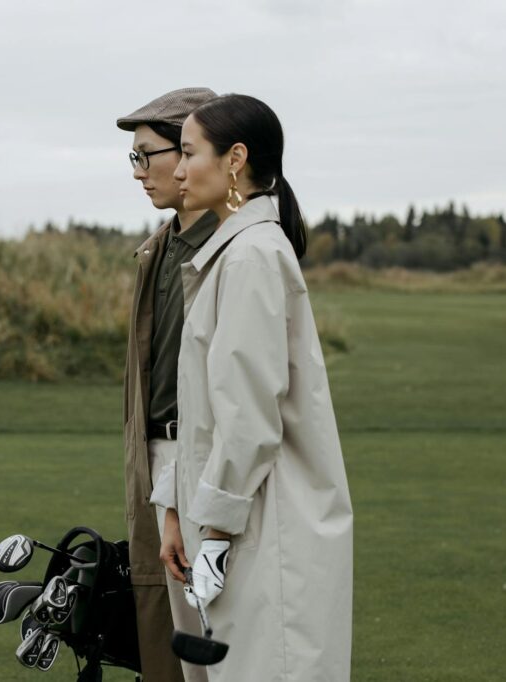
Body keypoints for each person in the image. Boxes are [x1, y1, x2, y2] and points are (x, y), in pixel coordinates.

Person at [156, 94, 354, 681]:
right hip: (245, 524)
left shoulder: (250, 256)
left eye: (189, 153)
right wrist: (177, 506)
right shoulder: (235, 252)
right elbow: (205, 413)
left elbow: (247, 417)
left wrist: (215, 534)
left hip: (266, 530)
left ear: (235, 159)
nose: (178, 169)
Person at [116, 87, 218, 682]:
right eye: (133, 158)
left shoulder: (234, 248)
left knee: (218, 635)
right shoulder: (157, 248)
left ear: (190, 152)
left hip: (204, 460)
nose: (138, 172)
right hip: (156, 458)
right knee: (168, 635)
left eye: (144, 156)